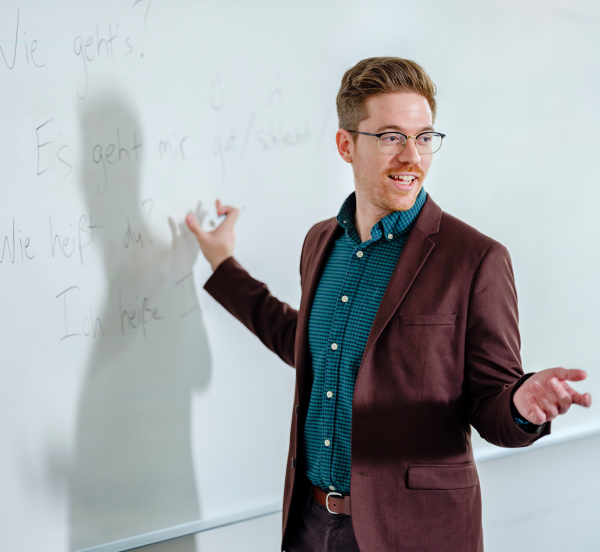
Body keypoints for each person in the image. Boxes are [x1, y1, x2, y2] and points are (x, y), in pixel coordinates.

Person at [185, 57, 592, 552]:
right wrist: (223, 265)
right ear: (346, 145)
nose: (412, 157)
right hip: (310, 524)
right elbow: (308, 347)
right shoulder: (321, 242)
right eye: (391, 137)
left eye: (424, 137)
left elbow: (492, 407)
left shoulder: (476, 259)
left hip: (414, 533)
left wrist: (521, 405)